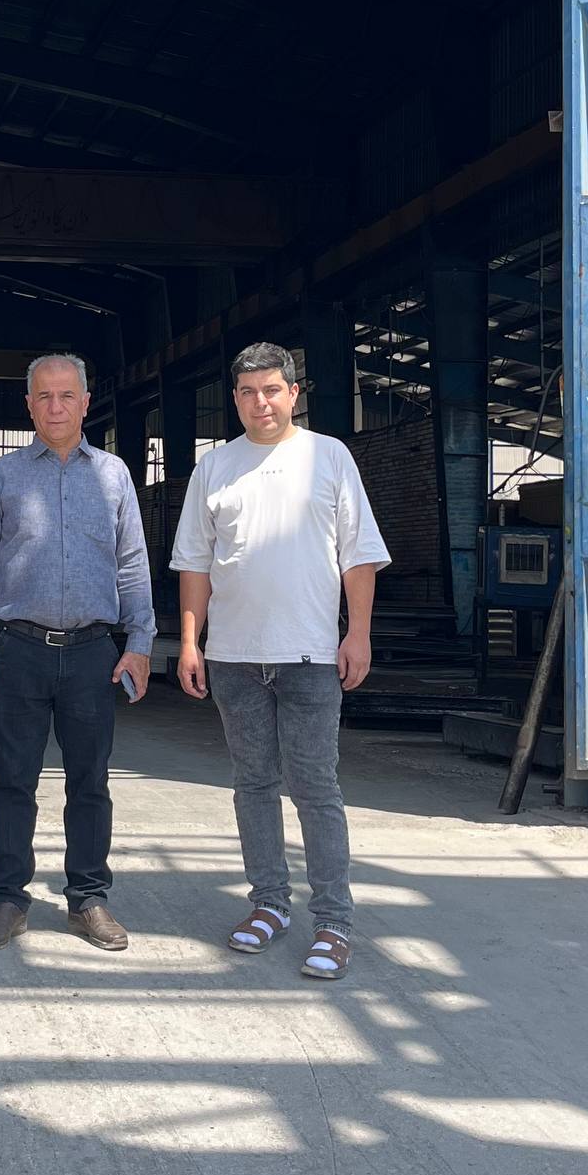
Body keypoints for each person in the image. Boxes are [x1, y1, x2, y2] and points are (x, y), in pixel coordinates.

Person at [170, 341, 389, 981]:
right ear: (234, 398)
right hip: (234, 658)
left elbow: (358, 554)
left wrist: (359, 634)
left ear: (294, 393)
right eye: (247, 392)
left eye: (271, 390)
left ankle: (334, 922)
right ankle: (268, 903)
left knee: (316, 787)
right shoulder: (215, 467)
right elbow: (195, 564)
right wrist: (190, 642)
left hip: (310, 655)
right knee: (253, 785)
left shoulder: (329, 456)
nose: (259, 402)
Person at [0, 353, 153, 952]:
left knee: (90, 781)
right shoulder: (4, 477)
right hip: (17, 649)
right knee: (13, 780)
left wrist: (140, 643)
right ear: (28, 405)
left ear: (86, 402)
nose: (55, 407)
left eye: (66, 395)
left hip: (94, 653)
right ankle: (8, 900)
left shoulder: (115, 475)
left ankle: (88, 898)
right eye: (43, 396)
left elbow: (132, 563)